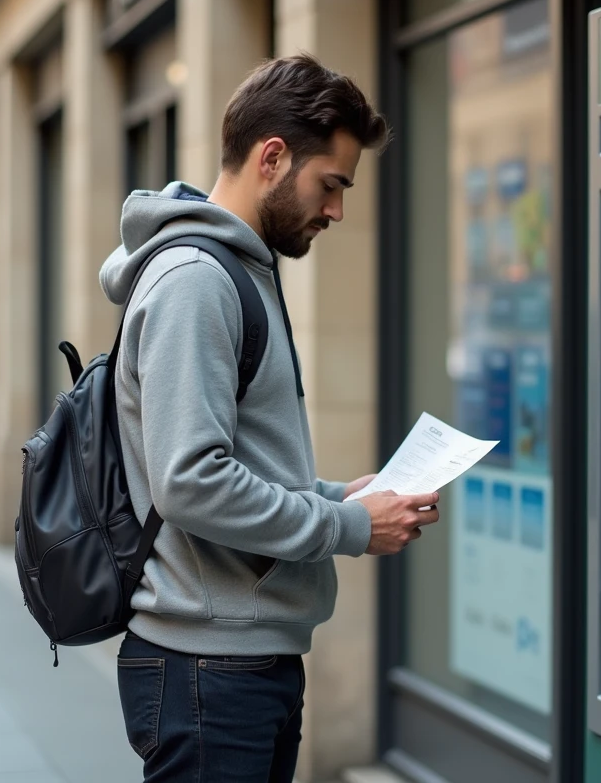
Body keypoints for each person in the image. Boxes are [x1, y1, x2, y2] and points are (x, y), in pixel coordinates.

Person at [100, 53, 439, 782]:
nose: (338, 211)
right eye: (332, 185)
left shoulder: (239, 270)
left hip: (239, 659)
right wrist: (351, 529)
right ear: (273, 157)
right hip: (209, 669)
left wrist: (340, 498)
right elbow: (190, 481)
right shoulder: (198, 281)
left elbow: (240, 461)